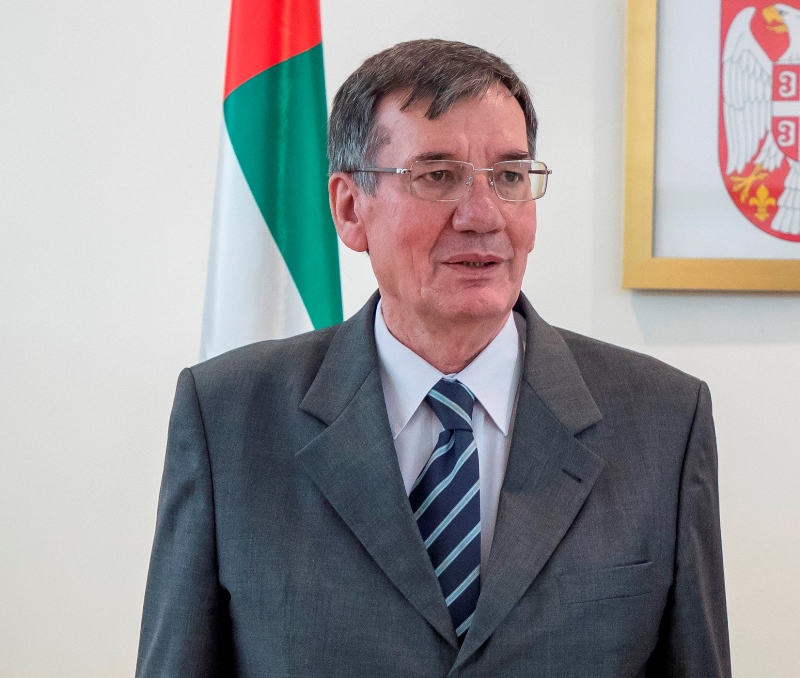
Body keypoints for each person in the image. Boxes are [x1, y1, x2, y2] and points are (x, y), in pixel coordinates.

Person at [136, 39, 731, 677]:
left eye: (510, 176)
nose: (483, 216)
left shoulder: (664, 420)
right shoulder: (227, 418)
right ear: (350, 209)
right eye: (438, 176)